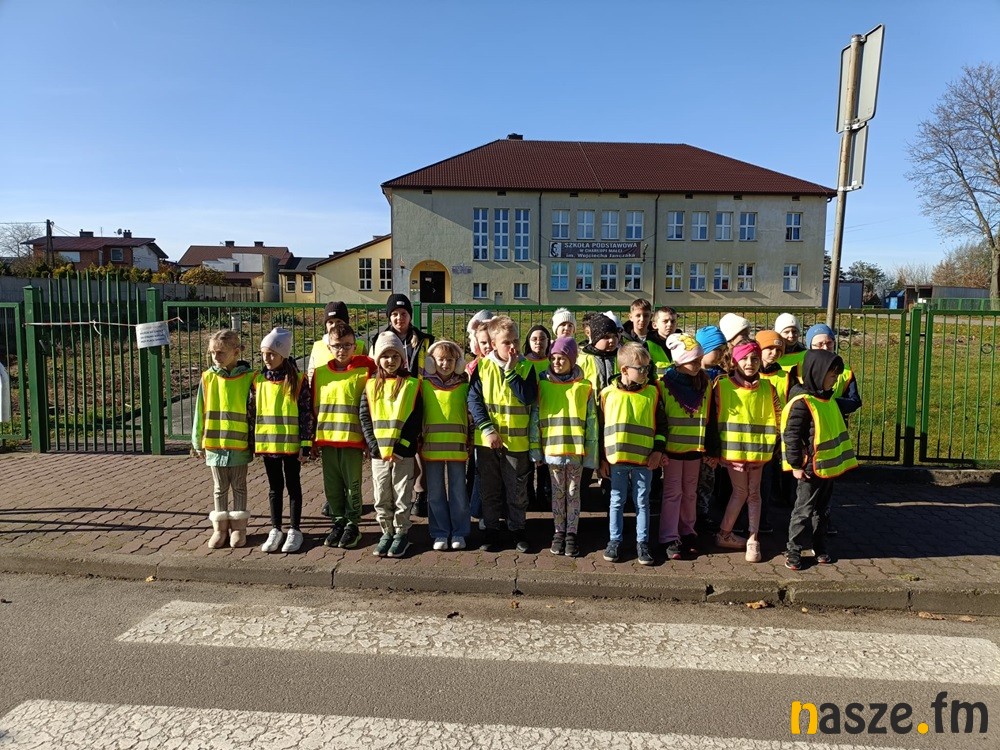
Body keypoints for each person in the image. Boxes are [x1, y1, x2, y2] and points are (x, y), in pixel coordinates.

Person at [781, 349, 859, 570]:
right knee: (803, 511)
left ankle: (819, 546)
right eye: (832, 375)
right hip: (809, 468)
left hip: (827, 467)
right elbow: (791, 435)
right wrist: (795, 465)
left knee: (822, 510)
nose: (835, 379)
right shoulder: (802, 402)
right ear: (817, 373)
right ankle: (793, 550)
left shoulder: (827, 399)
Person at [468, 315, 538, 552]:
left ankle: (517, 529)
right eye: (506, 342)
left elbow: (527, 397)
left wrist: (510, 373)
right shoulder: (483, 366)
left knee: (517, 490)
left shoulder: (526, 367)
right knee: (489, 489)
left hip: (517, 443)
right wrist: (487, 429)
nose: (513, 346)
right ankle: (491, 530)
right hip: (488, 442)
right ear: (493, 344)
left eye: (516, 340)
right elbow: (474, 400)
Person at [707, 341, 780, 564]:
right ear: (734, 361)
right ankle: (726, 533)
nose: (750, 363)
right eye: (744, 358)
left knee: (754, 493)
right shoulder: (722, 386)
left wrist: (774, 444)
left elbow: (778, 417)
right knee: (741, 492)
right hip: (734, 453)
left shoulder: (768, 388)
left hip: (758, 453)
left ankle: (752, 538)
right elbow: (712, 419)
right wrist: (714, 451)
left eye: (755, 358)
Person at [529, 336, 598, 557]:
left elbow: (592, 423)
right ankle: (559, 531)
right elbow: (535, 419)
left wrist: (591, 455)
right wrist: (535, 450)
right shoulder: (543, 385)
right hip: (552, 450)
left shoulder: (584, 387)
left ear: (572, 359)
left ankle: (572, 534)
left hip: (576, 451)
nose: (556, 362)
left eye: (562, 358)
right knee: (557, 493)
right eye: (553, 358)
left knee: (573, 493)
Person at [599, 343, 665, 566]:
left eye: (648, 368)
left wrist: (658, 451)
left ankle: (642, 543)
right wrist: (601, 459)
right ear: (624, 370)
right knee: (616, 501)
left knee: (642, 502)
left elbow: (662, 426)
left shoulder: (652, 393)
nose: (646, 372)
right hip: (616, 459)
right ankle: (614, 541)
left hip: (644, 461)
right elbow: (600, 428)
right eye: (641, 368)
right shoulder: (607, 394)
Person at [312, 319, 376, 549]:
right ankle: (338, 521)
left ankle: (352, 524)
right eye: (337, 345)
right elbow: (314, 408)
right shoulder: (320, 373)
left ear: (355, 346)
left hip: (352, 440)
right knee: (332, 485)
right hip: (328, 439)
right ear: (329, 347)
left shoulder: (364, 371)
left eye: (348, 345)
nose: (342, 350)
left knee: (352, 485)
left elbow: (371, 407)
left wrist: (368, 440)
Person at [370, 293, 435, 516]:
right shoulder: (379, 339)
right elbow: (374, 371)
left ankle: (421, 493)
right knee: (399, 448)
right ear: (389, 317)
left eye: (404, 313)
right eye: (395, 314)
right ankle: (396, 496)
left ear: (410, 315)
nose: (400, 318)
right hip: (390, 403)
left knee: (420, 447)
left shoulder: (425, 340)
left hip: (418, 398)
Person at [250, 327, 314, 554]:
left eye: (272, 354)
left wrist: (306, 444)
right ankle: (275, 528)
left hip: (292, 447)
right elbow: (252, 413)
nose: (266, 358)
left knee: (293, 486)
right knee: (274, 488)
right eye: (263, 354)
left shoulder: (298, 380)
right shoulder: (258, 380)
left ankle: (295, 529)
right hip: (269, 446)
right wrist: (252, 443)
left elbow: (306, 413)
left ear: (283, 355)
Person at [360, 331, 423, 558]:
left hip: (402, 453)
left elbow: (415, 419)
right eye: (385, 356)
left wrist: (402, 446)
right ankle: (386, 532)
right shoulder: (370, 386)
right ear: (378, 359)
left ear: (402, 359)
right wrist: (374, 446)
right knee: (381, 495)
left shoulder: (411, 384)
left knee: (402, 494)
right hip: (379, 453)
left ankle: (401, 533)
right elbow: (365, 416)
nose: (390, 360)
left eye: (395, 356)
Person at [191, 329, 253, 549]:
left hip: (239, 443)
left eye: (220, 352)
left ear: (236, 352)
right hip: (214, 444)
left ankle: (239, 529)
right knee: (219, 487)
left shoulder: (249, 377)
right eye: (212, 353)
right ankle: (220, 529)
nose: (215, 357)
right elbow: (200, 410)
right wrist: (197, 441)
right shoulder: (208, 377)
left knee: (239, 486)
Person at [657, 333, 710, 560]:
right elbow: (660, 418)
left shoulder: (705, 383)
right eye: (692, 361)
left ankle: (688, 531)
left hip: (694, 449)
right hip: (672, 450)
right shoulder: (664, 384)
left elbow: (710, 416)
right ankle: (669, 536)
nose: (697, 364)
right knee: (672, 493)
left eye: (699, 360)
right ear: (679, 361)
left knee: (690, 493)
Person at [421, 340, 471, 551]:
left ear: (458, 363)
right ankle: (440, 532)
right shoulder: (424, 385)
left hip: (457, 449)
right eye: (440, 359)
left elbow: (470, 417)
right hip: (432, 449)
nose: (445, 364)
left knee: (458, 492)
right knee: (435, 492)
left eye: (450, 360)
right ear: (431, 362)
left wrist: (470, 442)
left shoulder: (464, 386)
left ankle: (460, 531)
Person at [523, 324, 553, 511]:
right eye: (534, 339)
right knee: (528, 459)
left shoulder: (552, 362)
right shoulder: (523, 362)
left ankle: (543, 492)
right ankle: (528, 493)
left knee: (544, 458)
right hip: (527, 415)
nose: (538, 342)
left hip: (547, 414)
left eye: (542, 339)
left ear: (548, 341)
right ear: (528, 342)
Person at [307, 301, 365, 384]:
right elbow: (311, 373)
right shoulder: (318, 346)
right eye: (330, 322)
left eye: (339, 321)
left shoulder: (360, 346)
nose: (334, 326)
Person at [646, 306, 677, 379]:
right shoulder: (648, 346)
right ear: (655, 325)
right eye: (665, 321)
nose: (669, 324)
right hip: (656, 385)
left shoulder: (683, 344)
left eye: (673, 321)